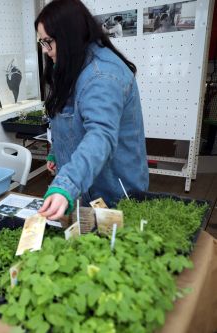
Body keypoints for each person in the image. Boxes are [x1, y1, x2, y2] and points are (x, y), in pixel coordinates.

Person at [35, 0, 149, 221]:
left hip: (113, 191)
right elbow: (69, 116)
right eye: (41, 42)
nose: (45, 50)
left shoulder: (101, 75)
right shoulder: (74, 63)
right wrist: (57, 152)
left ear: (69, 35)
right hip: (88, 185)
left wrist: (66, 184)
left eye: (48, 42)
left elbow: (100, 135)